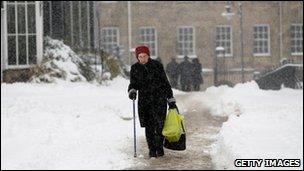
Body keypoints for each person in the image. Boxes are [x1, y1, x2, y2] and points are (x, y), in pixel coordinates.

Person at [127, 45, 178, 158]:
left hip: (159, 99)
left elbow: (165, 83)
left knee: (160, 125)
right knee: (149, 126)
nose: (142, 59)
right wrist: (132, 91)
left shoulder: (157, 66)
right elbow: (133, 84)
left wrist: (170, 99)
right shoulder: (135, 68)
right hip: (145, 101)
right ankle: (151, 149)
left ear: (148, 55)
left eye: (144, 56)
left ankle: (159, 147)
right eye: (140, 56)